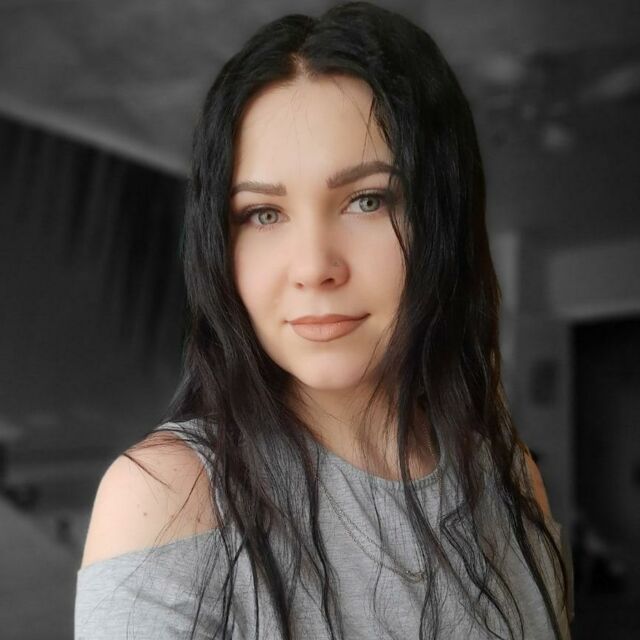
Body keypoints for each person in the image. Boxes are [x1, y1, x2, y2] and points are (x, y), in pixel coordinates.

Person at [74, 2, 573, 638]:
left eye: (367, 200)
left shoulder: (511, 484)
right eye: (262, 214)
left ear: (442, 219)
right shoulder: (168, 498)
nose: (314, 267)